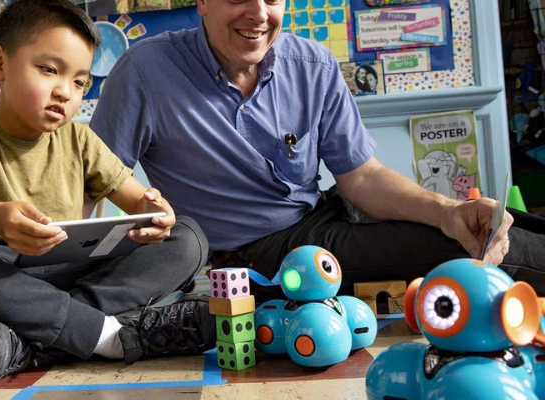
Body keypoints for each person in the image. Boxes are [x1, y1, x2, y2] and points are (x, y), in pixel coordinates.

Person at [91, 0, 545, 300]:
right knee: (481, 248)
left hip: (323, 215)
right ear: (203, 2)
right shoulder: (144, 71)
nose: (258, 14)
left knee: (492, 222)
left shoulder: (313, 63)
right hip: (258, 254)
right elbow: (96, 177)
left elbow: (362, 177)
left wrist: (444, 207)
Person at [0, 0, 214, 387]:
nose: (65, 91)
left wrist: (156, 212)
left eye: (80, 81)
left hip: (68, 276)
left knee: (188, 238)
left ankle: (28, 344)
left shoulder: (80, 138)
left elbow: (140, 201)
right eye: (49, 69)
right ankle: (107, 336)